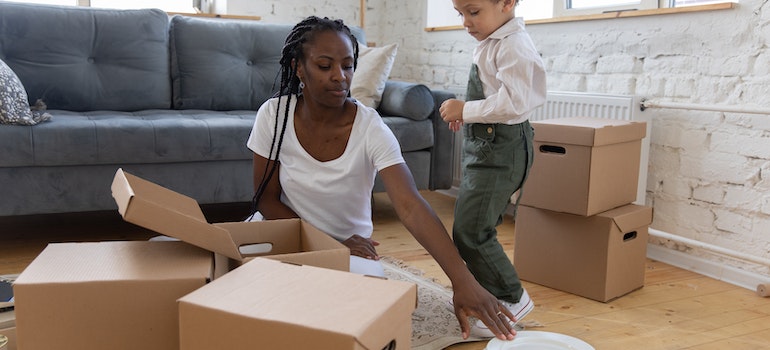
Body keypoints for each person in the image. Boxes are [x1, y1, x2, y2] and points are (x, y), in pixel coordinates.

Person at [245, 16, 518, 341]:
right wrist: (325, 242)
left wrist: (464, 281)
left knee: (360, 324)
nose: (339, 77)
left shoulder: (370, 127)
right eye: (324, 65)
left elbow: (411, 206)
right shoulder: (273, 115)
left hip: (352, 254)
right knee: (246, 300)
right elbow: (266, 199)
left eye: (348, 66)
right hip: (287, 235)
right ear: (299, 67)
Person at [438, 0, 547, 338]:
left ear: (507, 3)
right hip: (487, 144)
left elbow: (516, 101)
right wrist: (466, 115)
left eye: (473, 12)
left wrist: (466, 109)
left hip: (502, 149)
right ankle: (493, 295)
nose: (466, 23)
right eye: (460, 14)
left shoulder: (513, 45)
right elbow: (492, 93)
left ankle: (512, 298)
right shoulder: (492, 41)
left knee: (472, 231)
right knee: (472, 226)